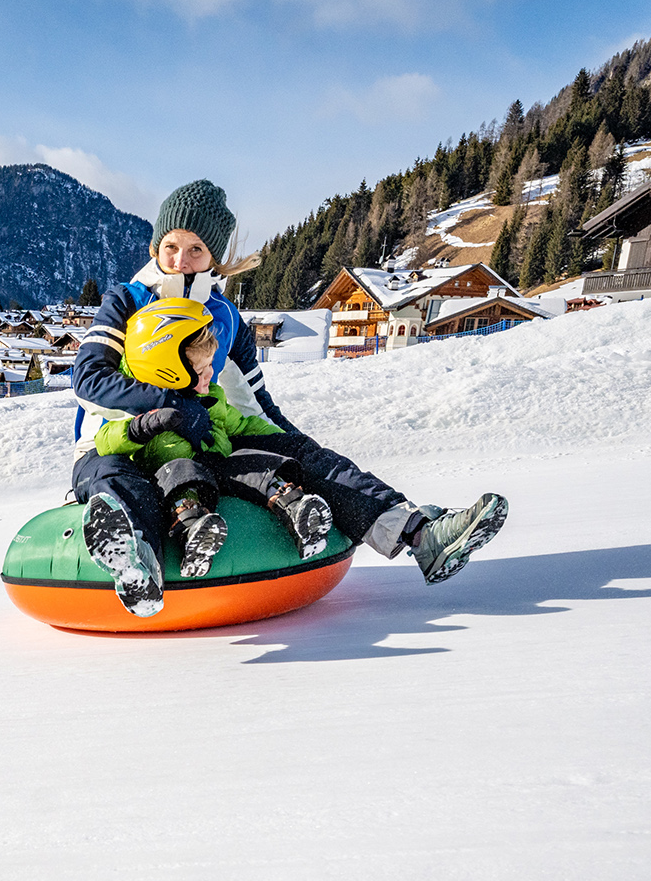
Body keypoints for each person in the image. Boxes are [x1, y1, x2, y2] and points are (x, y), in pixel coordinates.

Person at [71, 179, 507, 617]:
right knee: (117, 475)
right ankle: (136, 562)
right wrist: (170, 405)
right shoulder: (126, 300)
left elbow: (255, 402)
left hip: (202, 440)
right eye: (170, 246)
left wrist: (299, 448)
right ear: (155, 246)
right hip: (114, 440)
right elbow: (89, 379)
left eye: (195, 249)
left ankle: (420, 535)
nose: (180, 260)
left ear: (214, 258)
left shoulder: (225, 319)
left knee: (304, 455)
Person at [84, 297, 335, 608]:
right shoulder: (145, 408)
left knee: (253, 464)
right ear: (170, 371)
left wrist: (284, 437)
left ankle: (295, 507)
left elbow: (243, 424)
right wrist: (141, 428)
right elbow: (107, 441)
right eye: (202, 370)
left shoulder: (212, 398)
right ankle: (191, 529)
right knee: (182, 473)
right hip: (176, 477)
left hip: (217, 466)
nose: (210, 376)